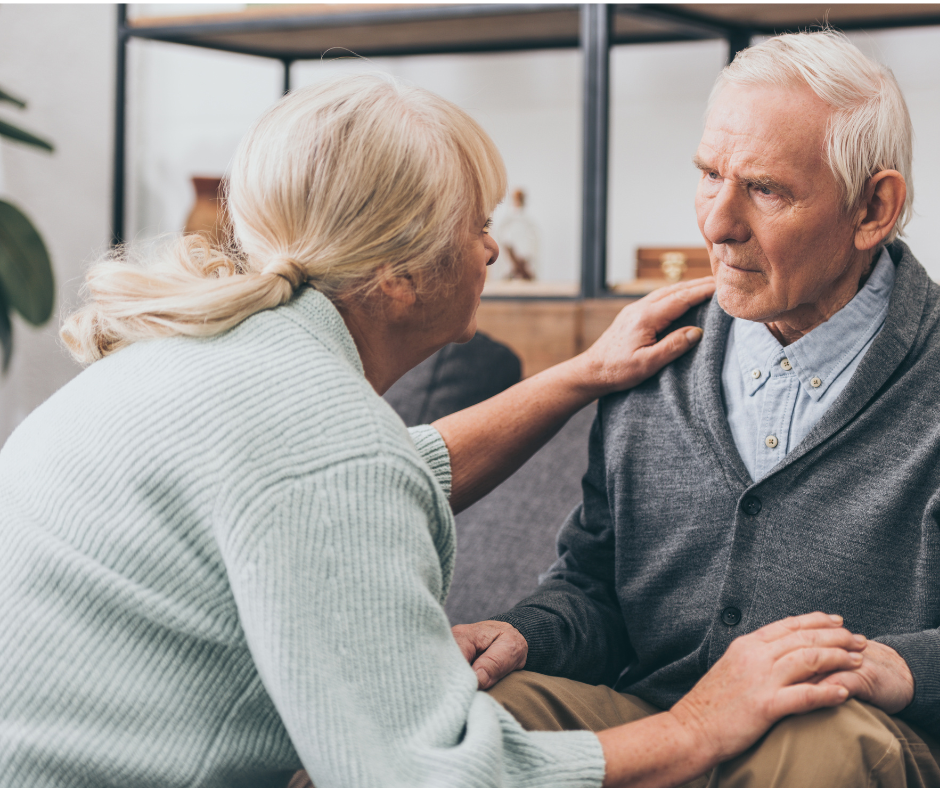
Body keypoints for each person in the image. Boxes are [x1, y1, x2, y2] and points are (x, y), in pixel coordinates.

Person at [0, 73, 865, 788]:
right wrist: (696, 727)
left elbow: (390, 473)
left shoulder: (207, 360)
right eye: (476, 225)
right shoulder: (322, 444)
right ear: (400, 278)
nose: (492, 251)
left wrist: (576, 375)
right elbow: (427, 778)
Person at [454, 29, 940, 787]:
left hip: (848, 734)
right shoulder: (654, 351)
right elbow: (594, 586)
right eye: (710, 175)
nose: (716, 224)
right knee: (468, 714)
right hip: (654, 722)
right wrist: (525, 634)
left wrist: (902, 667)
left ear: (874, 208)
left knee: (823, 739)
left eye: (767, 189)